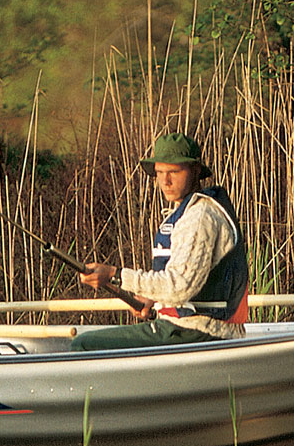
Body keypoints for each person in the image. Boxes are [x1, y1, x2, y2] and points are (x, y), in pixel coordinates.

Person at [71, 133, 248, 351]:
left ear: (195, 171)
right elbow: (181, 284)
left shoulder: (200, 217)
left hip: (200, 332)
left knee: (83, 345)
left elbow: (180, 286)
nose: (165, 181)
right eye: (159, 173)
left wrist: (115, 275)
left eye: (174, 172)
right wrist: (152, 299)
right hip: (188, 329)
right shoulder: (188, 212)